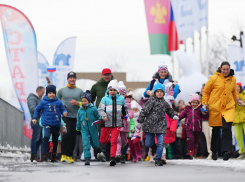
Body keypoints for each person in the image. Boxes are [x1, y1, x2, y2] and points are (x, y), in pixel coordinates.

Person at [202, 61, 245, 161]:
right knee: (216, 130)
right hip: (215, 107)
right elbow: (206, 92)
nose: (225, 71)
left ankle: (227, 151)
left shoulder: (233, 79)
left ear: (230, 69)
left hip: (229, 107)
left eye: (227, 69)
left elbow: (234, 92)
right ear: (220, 68)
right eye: (224, 69)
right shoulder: (213, 78)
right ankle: (214, 151)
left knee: (227, 128)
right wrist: (204, 103)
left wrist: (238, 100)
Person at [137, 83, 179, 166]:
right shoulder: (151, 101)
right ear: (155, 93)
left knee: (160, 143)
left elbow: (169, 110)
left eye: (161, 91)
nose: (159, 93)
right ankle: (153, 147)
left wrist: (174, 115)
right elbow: (144, 111)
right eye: (157, 91)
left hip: (161, 126)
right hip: (150, 126)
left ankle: (158, 159)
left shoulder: (164, 102)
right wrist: (140, 121)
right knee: (148, 144)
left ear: (163, 93)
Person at [32, 85, 68, 162]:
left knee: (55, 141)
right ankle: (44, 154)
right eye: (50, 93)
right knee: (46, 137)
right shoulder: (43, 102)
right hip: (47, 124)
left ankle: (53, 155)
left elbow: (63, 109)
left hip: (56, 124)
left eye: (53, 93)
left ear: (55, 93)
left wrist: (65, 112)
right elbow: (37, 110)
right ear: (47, 94)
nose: (51, 95)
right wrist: (35, 118)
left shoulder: (58, 102)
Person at [98, 80, 128, 166]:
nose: (112, 92)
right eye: (111, 90)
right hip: (106, 123)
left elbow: (124, 108)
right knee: (103, 141)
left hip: (117, 124)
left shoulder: (121, 99)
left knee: (114, 141)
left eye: (114, 90)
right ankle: (111, 140)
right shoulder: (105, 99)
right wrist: (103, 116)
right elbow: (100, 109)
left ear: (117, 91)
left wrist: (126, 115)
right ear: (108, 91)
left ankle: (112, 158)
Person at [57, 71, 84, 163]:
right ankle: (63, 155)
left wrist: (78, 103)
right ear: (68, 79)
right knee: (66, 134)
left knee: (73, 137)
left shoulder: (80, 91)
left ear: (75, 79)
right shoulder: (61, 90)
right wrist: (61, 107)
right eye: (70, 78)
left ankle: (69, 155)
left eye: (74, 78)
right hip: (65, 116)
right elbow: (56, 101)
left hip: (76, 117)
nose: (72, 79)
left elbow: (85, 103)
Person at [91, 68, 113, 161]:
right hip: (101, 114)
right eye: (105, 74)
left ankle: (111, 155)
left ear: (111, 75)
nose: (107, 76)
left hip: (113, 113)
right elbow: (90, 99)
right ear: (102, 75)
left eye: (108, 74)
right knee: (102, 134)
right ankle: (102, 154)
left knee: (112, 134)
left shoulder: (114, 85)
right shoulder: (96, 86)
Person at [76, 90, 103, 165]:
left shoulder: (93, 108)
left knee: (95, 144)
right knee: (86, 143)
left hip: (93, 129)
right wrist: (78, 128)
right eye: (82, 101)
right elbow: (78, 119)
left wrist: (99, 121)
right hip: (84, 129)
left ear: (89, 101)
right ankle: (87, 158)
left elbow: (98, 117)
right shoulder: (80, 110)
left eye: (85, 101)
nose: (84, 102)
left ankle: (98, 151)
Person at [179, 93, 208, 159]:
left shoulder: (200, 109)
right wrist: (177, 118)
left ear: (198, 103)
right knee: (190, 139)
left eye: (196, 103)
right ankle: (190, 151)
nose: (194, 104)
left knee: (196, 141)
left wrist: (205, 112)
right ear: (190, 102)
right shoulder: (187, 108)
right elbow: (182, 115)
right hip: (188, 127)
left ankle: (194, 149)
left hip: (198, 128)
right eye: (193, 102)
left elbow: (205, 117)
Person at [27, 86, 45, 162]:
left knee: (40, 139)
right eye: (42, 93)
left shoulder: (38, 99)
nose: (43, 94)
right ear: (38, 91)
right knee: (35, 139)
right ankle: (33, 155)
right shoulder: (32, 98)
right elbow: (32, 109)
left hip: (40, 121)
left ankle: (35, 155)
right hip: (36, 121)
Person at [115, 81, 131, 164]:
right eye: (120, 94)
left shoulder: (128, 103)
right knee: (118, 140)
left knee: (124, 141)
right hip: (117, 124)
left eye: (123, 94)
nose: (122, 96)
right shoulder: (115, 103)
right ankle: (118, 154)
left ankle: (123, 153)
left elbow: (131, 113)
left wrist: (127, 115)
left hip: (125, 126)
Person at [234, 82, 245, 159]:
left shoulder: (243, 95)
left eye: (238, 87)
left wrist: (238, 95)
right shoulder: (232, 97)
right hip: (236, 120)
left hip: (244, 118)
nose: (237, 88)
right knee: (238, 137)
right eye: (235, 87)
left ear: (240, 88)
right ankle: (242, 152)